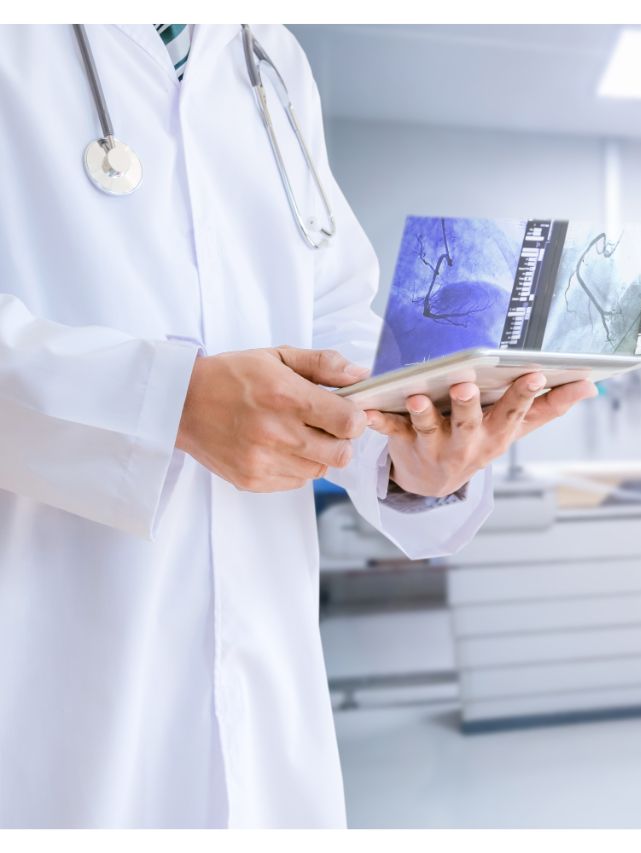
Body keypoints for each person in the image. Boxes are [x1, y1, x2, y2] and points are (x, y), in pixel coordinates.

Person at [0, 24, 595, 828]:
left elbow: (333, 315)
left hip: (267, 678)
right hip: (52, 666)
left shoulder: (269, 53)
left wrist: (411, 446)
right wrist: (165, 402)